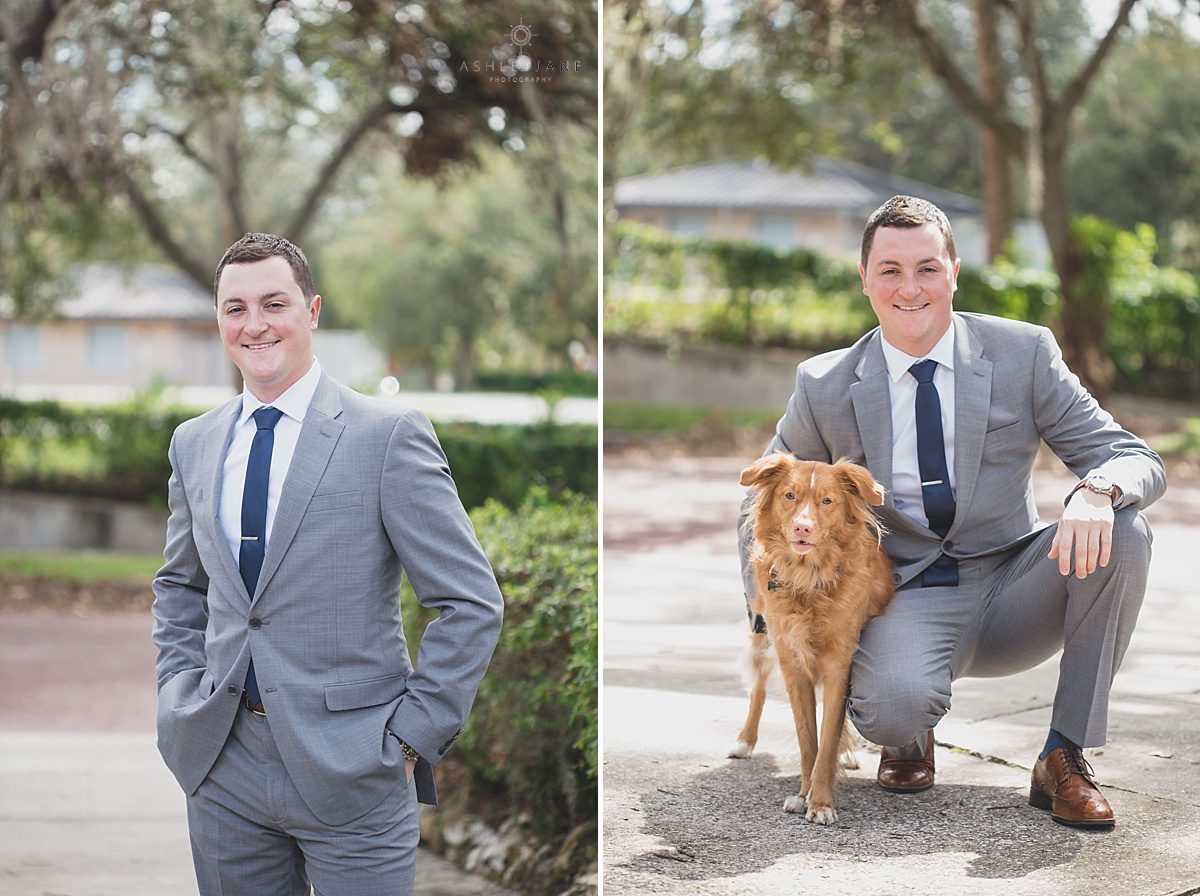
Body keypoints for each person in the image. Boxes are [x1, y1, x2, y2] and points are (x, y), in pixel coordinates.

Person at [738, 195, 1165, 828]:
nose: (910, 288)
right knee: (891, 707)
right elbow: (761, 504)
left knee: (1125, 530)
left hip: (1017, 583)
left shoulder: (1025, 352)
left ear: (954, 271)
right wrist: (766, 610)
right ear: (864, 279)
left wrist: (1097, 492)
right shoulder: (824, 384)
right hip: (905, 595)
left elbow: (1132, 456)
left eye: (927, 268)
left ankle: (1063, 755)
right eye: (889, 270)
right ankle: (909, 732)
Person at [151, 232, 504, 894]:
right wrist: (179, 694)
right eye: (235, 308)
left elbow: (470, 601)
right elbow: (179, 586)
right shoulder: (193, 444)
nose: (254, 325)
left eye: (273, 303)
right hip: (223, 766)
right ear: (219, 319)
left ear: (311, 311)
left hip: (355, 769)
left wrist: (408, 740)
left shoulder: (387, 437)